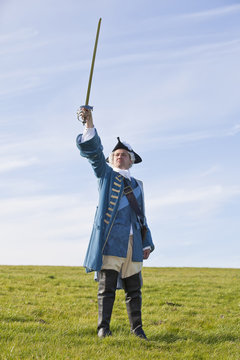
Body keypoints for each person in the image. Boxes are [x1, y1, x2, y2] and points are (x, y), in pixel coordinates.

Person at [76, 108, 154, 340]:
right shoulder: (106, 175)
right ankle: (103, 328)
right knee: (106, 287)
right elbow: (94, 154)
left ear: (132, 160)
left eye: (123, 155)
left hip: (134, 243)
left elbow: (142, 217)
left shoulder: (138, 185)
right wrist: (89, 122)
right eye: (116, 155)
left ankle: (137, 330)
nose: (119, 157)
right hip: (111, 240)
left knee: (134, 290)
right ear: (111, 160)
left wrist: (147, 242)